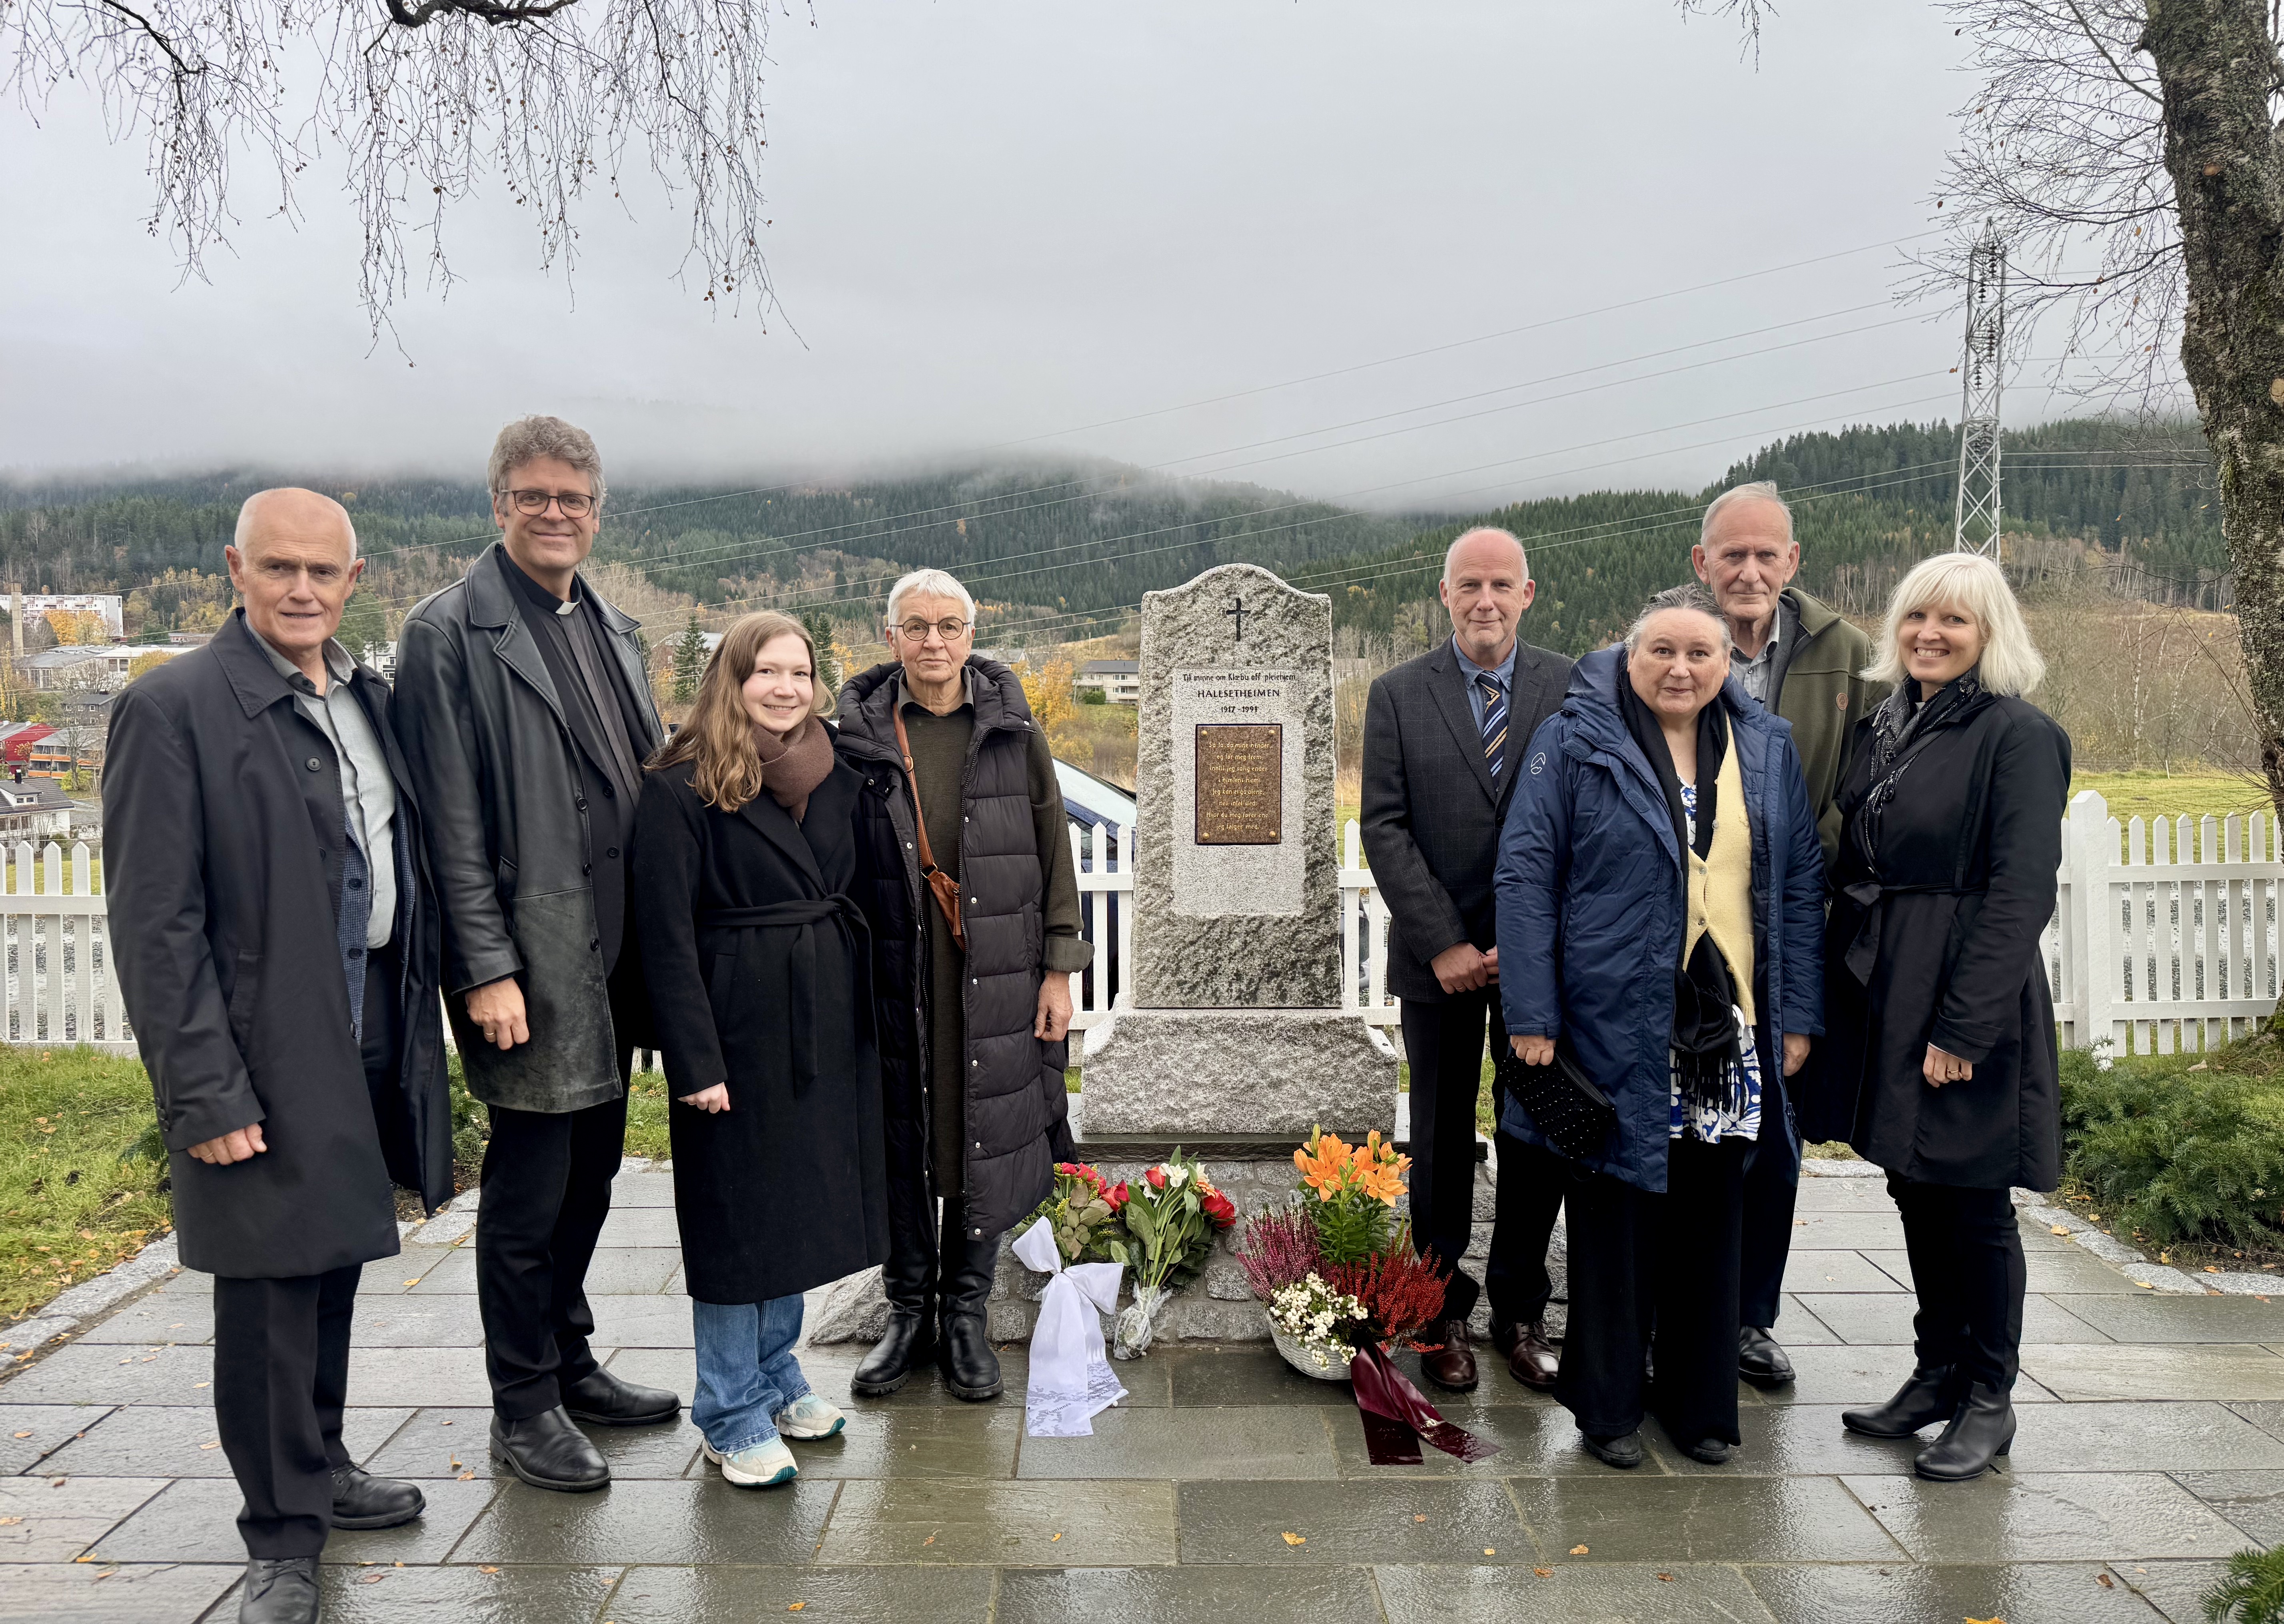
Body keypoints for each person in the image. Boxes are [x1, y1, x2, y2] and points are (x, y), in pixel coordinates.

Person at [107, 489, 449, 1624]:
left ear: (356, 580)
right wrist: (203, 1088)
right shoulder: (174, 708)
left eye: (323, 570)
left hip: (369, 1028)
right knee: (266, 1297)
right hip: (260, 1050)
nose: (302, 588)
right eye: (278, 567)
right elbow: (156, 923)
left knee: (336, 1257)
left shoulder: (370, 698)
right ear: (235, 570)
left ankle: (326, 1460)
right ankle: (281, 1533)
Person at [395, 415, 681, 1495]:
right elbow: (449, 820)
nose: (555, 512)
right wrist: (484, 967)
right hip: (532, 961)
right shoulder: (449, 634)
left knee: (594, 1174)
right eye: (533, 494)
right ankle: (524, 1401)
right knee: (530, 1186)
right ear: (499, 504)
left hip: (614, 960)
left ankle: (567, 1358)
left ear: (597, 513)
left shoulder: (613, 626)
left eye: (574, 497)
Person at [1497, 585, 1823, 1469]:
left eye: (1700, 654)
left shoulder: (1766, 744)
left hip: (1733, 1025)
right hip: (1614, 1018)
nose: (1681, 669)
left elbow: (1794, 884)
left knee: (1715, 1215)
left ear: (1727, 663)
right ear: (1627, 655)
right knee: (1615, 1215)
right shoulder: (1574, 739)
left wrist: (1798, 1018)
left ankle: (1700, 1405)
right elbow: (1527, 875)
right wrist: (1531, 1012)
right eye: (1662, 652)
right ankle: (1607, 1410)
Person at [1817, 552, 2069, 1482]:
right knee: (1913, 1183)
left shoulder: (2018, 734)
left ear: (1990, 634)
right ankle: (1935, 1373)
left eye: (1955, 622)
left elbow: (2020, 893)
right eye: (1919, 617)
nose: (1932, 634)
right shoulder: (1887, 724)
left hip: (1967, 986)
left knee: (1971, 1199)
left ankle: (1989, 1398)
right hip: (1890, 978)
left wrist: (1964, 1029)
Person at [634, 612, 888, 1488]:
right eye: (765, 672)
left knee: (797, 1214)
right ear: (731, 681)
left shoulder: (838, 772)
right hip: (734, 1025)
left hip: (820, 1018)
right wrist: (694, 1062)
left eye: (799, 671)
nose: (785, 688)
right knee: (736, 1225)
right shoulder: (678, 786)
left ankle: (778, 1377)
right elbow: (663, 938)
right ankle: (728, 1407)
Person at [835, 568, 1091, 1403]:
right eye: (917, 628)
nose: (933, 643)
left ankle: (966, 1318)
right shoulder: (856, 737)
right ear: (890, 638)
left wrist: (1060, 967)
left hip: (1000, 971)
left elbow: (1057, 853)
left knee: (982, 1129)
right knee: (905, 1133)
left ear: (972, 637)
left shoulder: (1013, 732)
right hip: (895, 971)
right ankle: (908, 1311)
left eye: (949, 627)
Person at [1360, 526, 1574, 1392]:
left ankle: (1522, 1310)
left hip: (1542, 963)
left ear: (1529, 593)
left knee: (1536, 1136)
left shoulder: (1575, 685)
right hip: (1436, 962)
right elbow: (1383, 823)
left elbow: (1584, 818)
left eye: (1501, 585)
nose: (1484, 600)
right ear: (1443, 595)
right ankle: (1437, 1308)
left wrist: (1531, 943)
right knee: (1442, 1139)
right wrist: (1444, 940)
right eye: (1468, 585)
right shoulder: (1398, 694)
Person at [1689, 481, 1882, 1389]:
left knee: (1774, 1133)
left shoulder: (1847, 656)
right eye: (1733, 555)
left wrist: (1809, 857)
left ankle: (1750, 1319)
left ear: (1793, 562)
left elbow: (1870, 782)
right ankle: (1677, 1311)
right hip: (1691, 927)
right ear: (1703, 564)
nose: (1750, 571)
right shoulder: (1671, 642)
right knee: (1687, 1128)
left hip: (1796, 921)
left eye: (1768, 555)